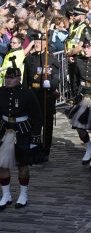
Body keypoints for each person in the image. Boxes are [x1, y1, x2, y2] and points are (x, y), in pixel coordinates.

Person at [0, 60, 42, 209]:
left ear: (19, 78)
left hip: (22, 132)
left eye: (11, 78)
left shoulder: (27, 94)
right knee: (2, 165)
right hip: (4, 131)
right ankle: (6, 195)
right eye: (6, 78)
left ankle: (23, 195)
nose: (8, 80)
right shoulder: (1, 91)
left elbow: (37, 116)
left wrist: (36, 136)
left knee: (22, 165)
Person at [22, 33, 60, 162]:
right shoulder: (29, 59)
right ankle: (34, 148)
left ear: (45, 44)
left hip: (46, 96)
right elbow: (25, 81)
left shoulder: (51, 59)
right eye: (36, 42)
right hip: (32, 95)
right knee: (32, 124)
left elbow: (56, 78)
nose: (38, 44)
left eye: (40, 42)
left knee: (46, 125)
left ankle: (45, 150)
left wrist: (51, 85)